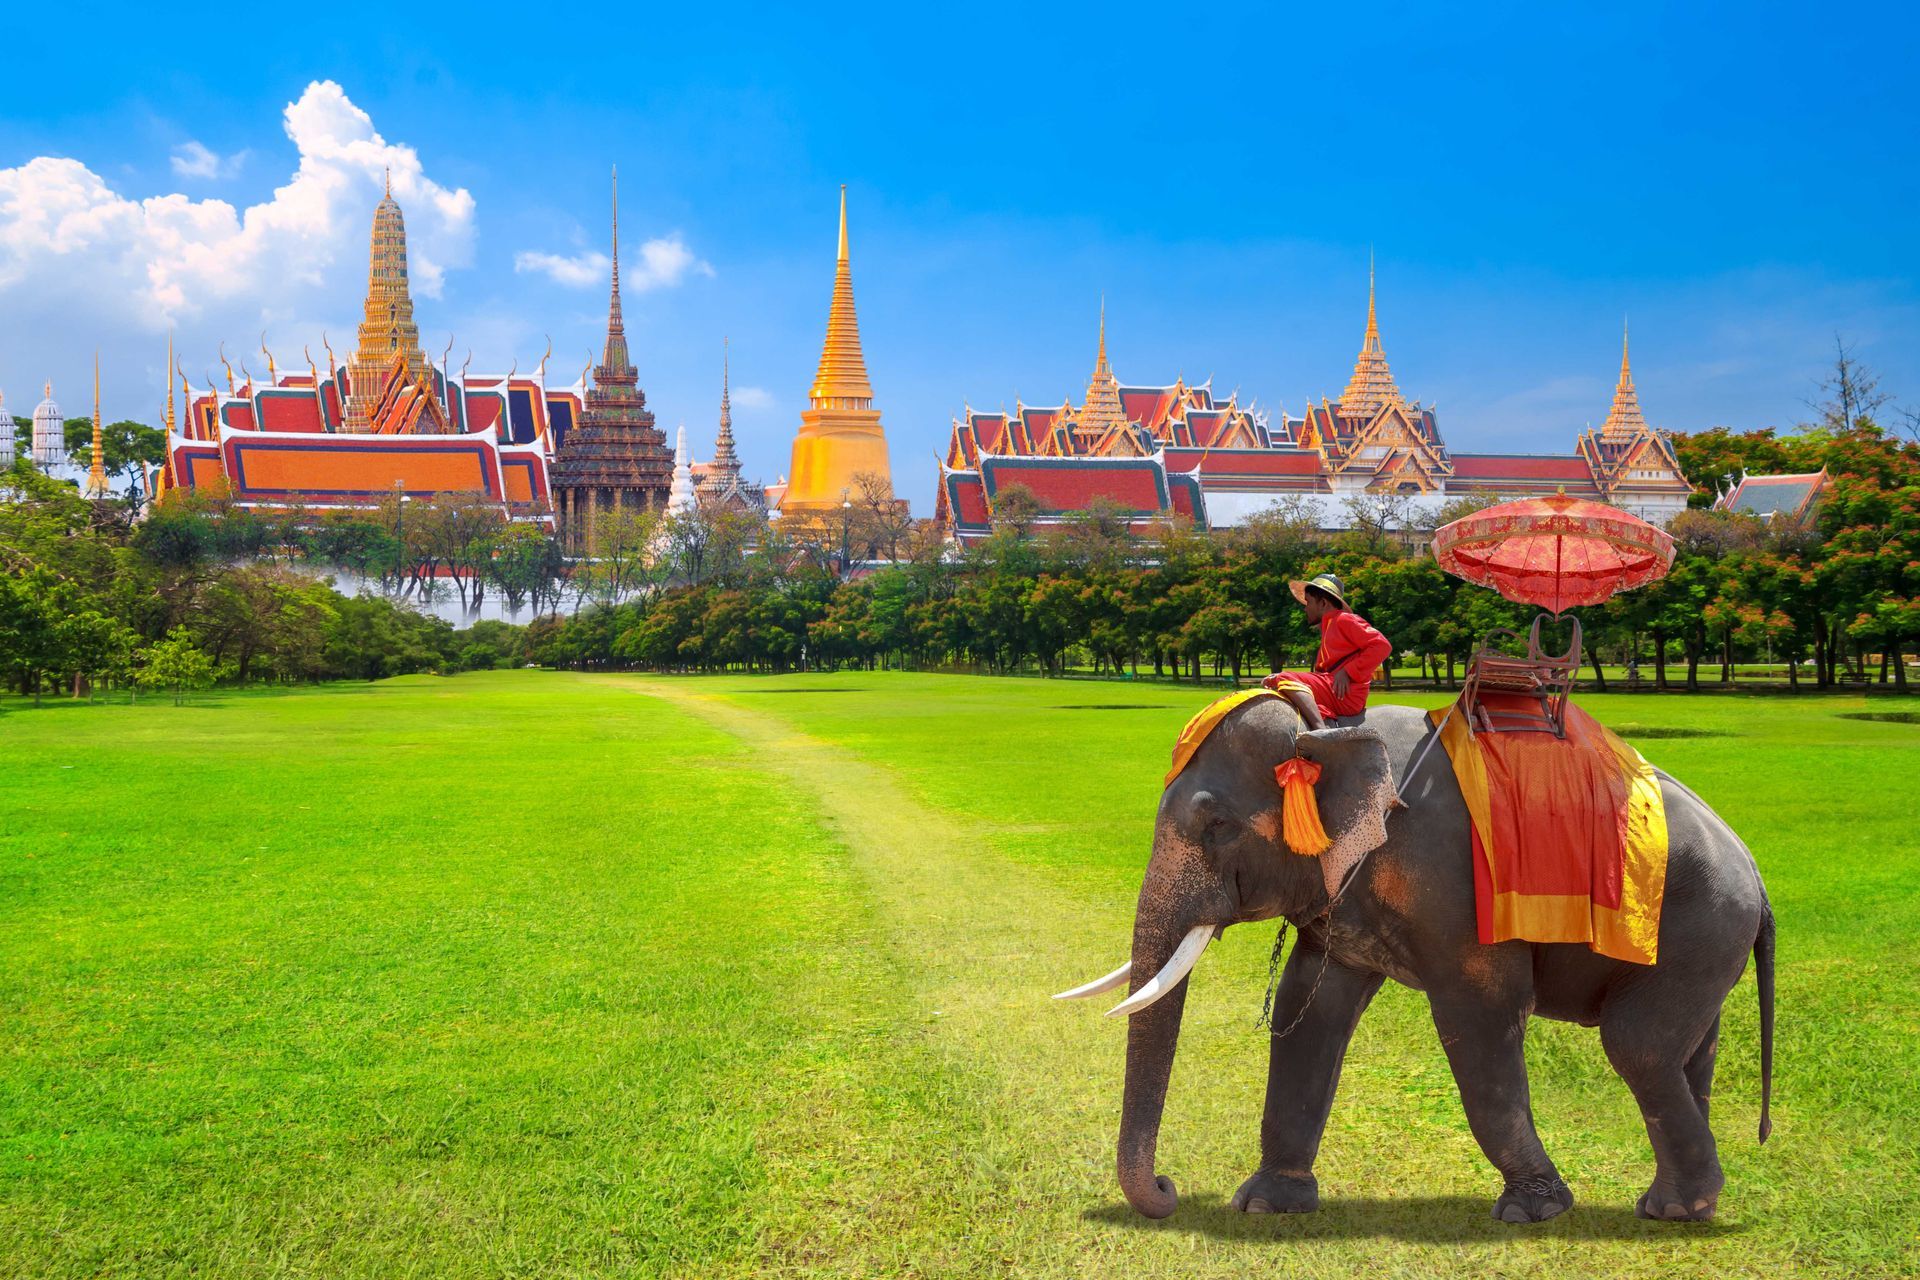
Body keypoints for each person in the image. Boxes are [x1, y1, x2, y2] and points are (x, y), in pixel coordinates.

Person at [1262, 572, 1393, 729]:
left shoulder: (1344, 619)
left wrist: (1347, 672)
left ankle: (1320, 730)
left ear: (1323, 603)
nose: (1305, 609)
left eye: (1308, 602)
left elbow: (1382, 646)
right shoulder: (1330, 625)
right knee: (1273, 680)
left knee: (1286, 677)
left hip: (1345, 694)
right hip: (1334, 688)